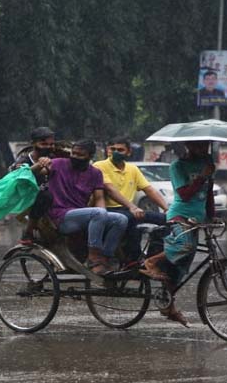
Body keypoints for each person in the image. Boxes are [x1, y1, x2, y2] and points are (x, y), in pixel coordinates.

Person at [139, 141, 216, 326]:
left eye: (206, 147)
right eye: (199, 147)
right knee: (185, 246)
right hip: (180, 215)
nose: (203, 150)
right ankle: (151, 262)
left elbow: (209, 193)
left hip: (197, 218)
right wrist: (202, 177)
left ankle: (168, 304)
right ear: (190, 147)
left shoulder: (208, 163)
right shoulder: (177, 166)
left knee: (180, 268)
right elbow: (185, 194)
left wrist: (211, 217)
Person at [47, 139, 128, 275]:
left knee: (121, 219)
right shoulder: (57, 164)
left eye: (80, 155)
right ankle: (93, 258)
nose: (75, 157)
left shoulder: (95, 173)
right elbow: (38, 171)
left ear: (90, 156)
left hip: (82, 214)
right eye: (74, 153)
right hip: (61, 216)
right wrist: (41, 163)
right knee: (98, 213)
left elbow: (99, 198)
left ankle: (105, 257)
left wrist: (103, 215)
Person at [94, 136, 169, 265]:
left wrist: (167, 209)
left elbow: (149, 189)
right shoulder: (99, 166)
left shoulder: (132, 169)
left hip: (128, 209)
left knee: (167, 220)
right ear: (107, 150)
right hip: (109, 210)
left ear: (128, 152)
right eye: (113, 149)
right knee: (133, 220)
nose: (116, 152)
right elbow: (110, 189)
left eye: (120, 150)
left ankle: (153, 258)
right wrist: (131, 206)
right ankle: (132, 259)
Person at [10, 127, 56, 245]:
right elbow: (20, 175)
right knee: (44, 196)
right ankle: (28, 232)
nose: (48, 147)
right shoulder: (23, 160)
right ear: (33, 144)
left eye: (51, 144)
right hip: (29, 201)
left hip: (54, 200)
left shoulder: (54, 157)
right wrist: (39, 165)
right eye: (43, 144)